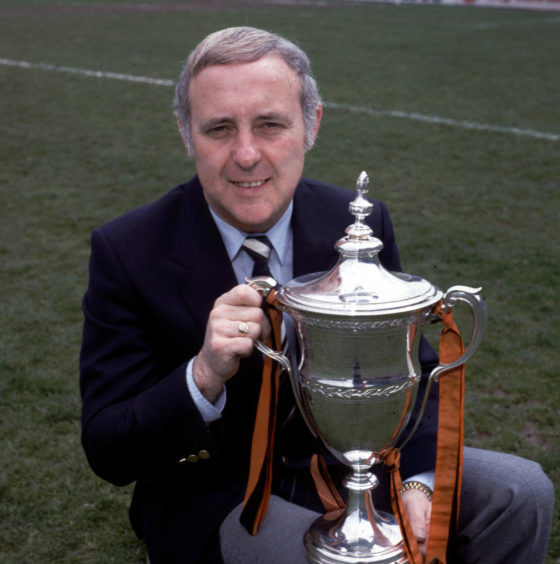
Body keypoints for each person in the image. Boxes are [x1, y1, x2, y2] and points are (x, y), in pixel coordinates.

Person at [80, 27, 554, 564]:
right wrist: (203, 374)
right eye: (218, 129)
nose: (246, 154)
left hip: (361, 471)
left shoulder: (358, 224)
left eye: (270, 124)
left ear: (312, 124)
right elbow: (108, 446)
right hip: (219, 495)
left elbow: (414, 374)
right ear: (187, 134)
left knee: (521, 491)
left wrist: (420, 484)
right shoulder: (129, 250)